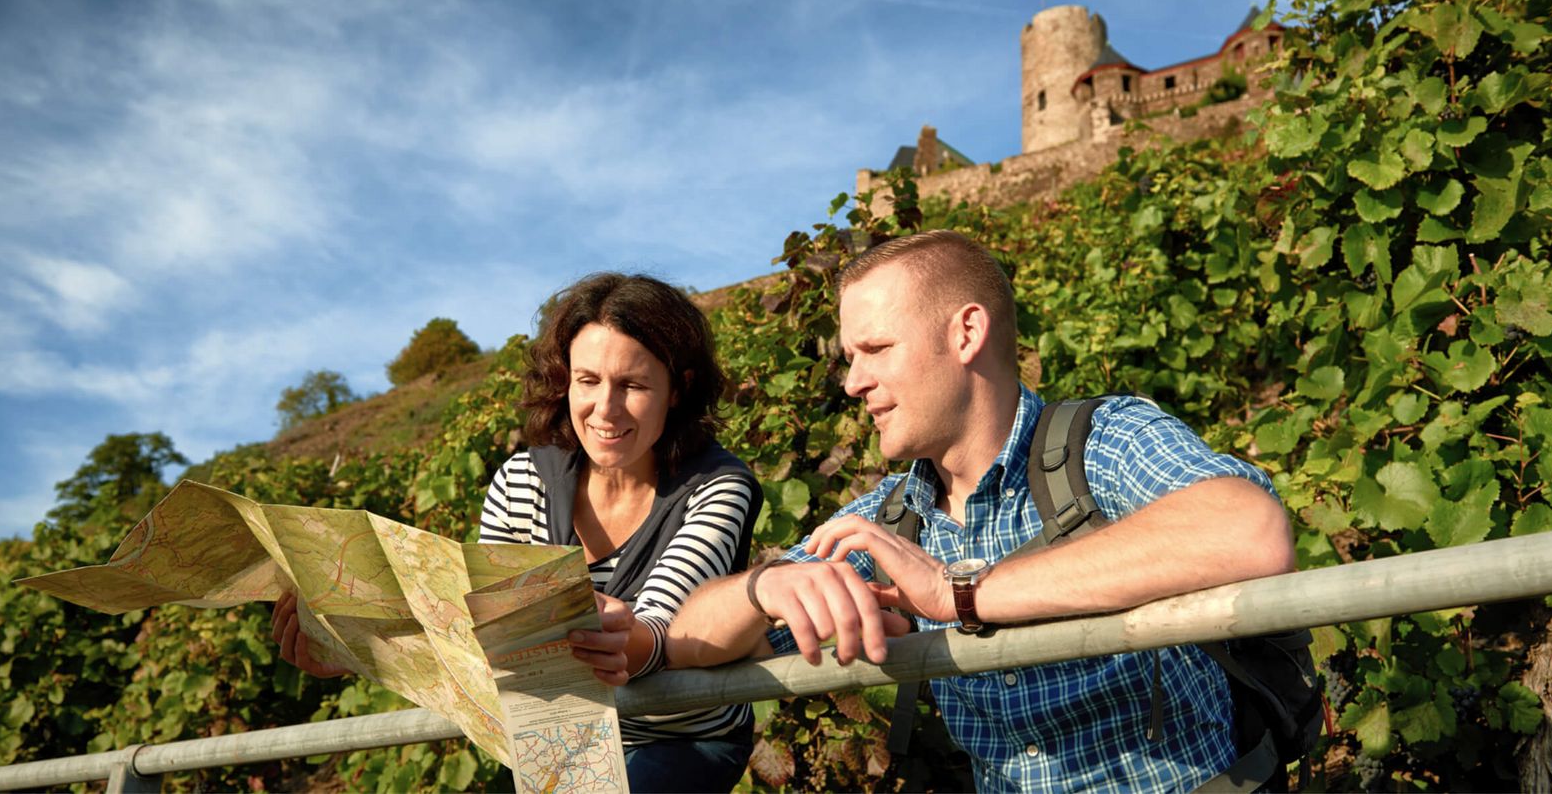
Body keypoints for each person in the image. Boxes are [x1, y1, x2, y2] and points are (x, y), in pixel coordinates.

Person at [666, 231, 1295, 793]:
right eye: (849, 357)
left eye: (875, 348)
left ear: (966, 334)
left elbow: (1250, 530)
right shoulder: (884, 523)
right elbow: (685, 640)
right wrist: (763, 587)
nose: (852, 382)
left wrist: (958, 594)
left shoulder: (1102, 441)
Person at [275, 273, 762, 793]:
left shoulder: (718, 486)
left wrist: (621, 643)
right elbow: (482, 639)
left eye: (634, 385)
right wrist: (357, 651)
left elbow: (663, 630)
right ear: (565, 379)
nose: (605, 409)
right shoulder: (520, 481)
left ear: (678, 389)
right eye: (588, 380)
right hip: (559, 735)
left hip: (677, 737)